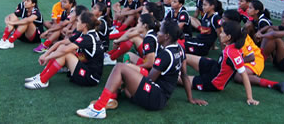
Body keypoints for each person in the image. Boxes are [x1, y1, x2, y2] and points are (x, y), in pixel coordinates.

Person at [76, 19, 207, 119]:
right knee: (125, 76)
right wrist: (190, 98)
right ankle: (113, 96)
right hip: (161, 98)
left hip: (155, 96)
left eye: (160, 32)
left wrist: (128, 76)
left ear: (166, 36)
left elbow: (149, 79)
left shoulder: (165, 55)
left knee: (120, 68)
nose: (157, 34)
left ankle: (98, 108)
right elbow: (184, 76)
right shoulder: (179, 49)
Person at [182, 21, 259, 105]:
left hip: (213, 82)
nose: (220, 34)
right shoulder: (230, 45)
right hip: (213, 66)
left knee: (178, 78)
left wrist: (250, 98)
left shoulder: (233, 54)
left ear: (229, 37)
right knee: (183, 56)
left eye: (222, 32)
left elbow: (244, 75)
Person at [25, 11, 104, 89]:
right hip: (84, 63)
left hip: (90, 77)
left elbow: (64, 51)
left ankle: (43, 81)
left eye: (78, 21)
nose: (76, 23)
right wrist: (45, 55)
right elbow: (61, 43)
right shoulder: (84, 33)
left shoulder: (89, 37)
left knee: (65, 53)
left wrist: (47, 58)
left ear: (84, 25)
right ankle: (42, 75)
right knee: (62, 47)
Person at [221, 10, 284, 93]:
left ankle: (274, 84)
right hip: (245, 59)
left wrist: (235, 63)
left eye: (223, 19)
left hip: (255, 59)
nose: (221, 20)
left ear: (231, 22)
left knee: (238, 76)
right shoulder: (228, 33)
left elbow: (251, 57)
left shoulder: (240, 36)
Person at [256, 8, 284, 73]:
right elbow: (270, 27)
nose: (282, 20)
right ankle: (259, 57)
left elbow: (274, 34)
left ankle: (259, 61)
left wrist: (261, 36)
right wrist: (259, 32)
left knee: (276, 39)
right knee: (270, 31)